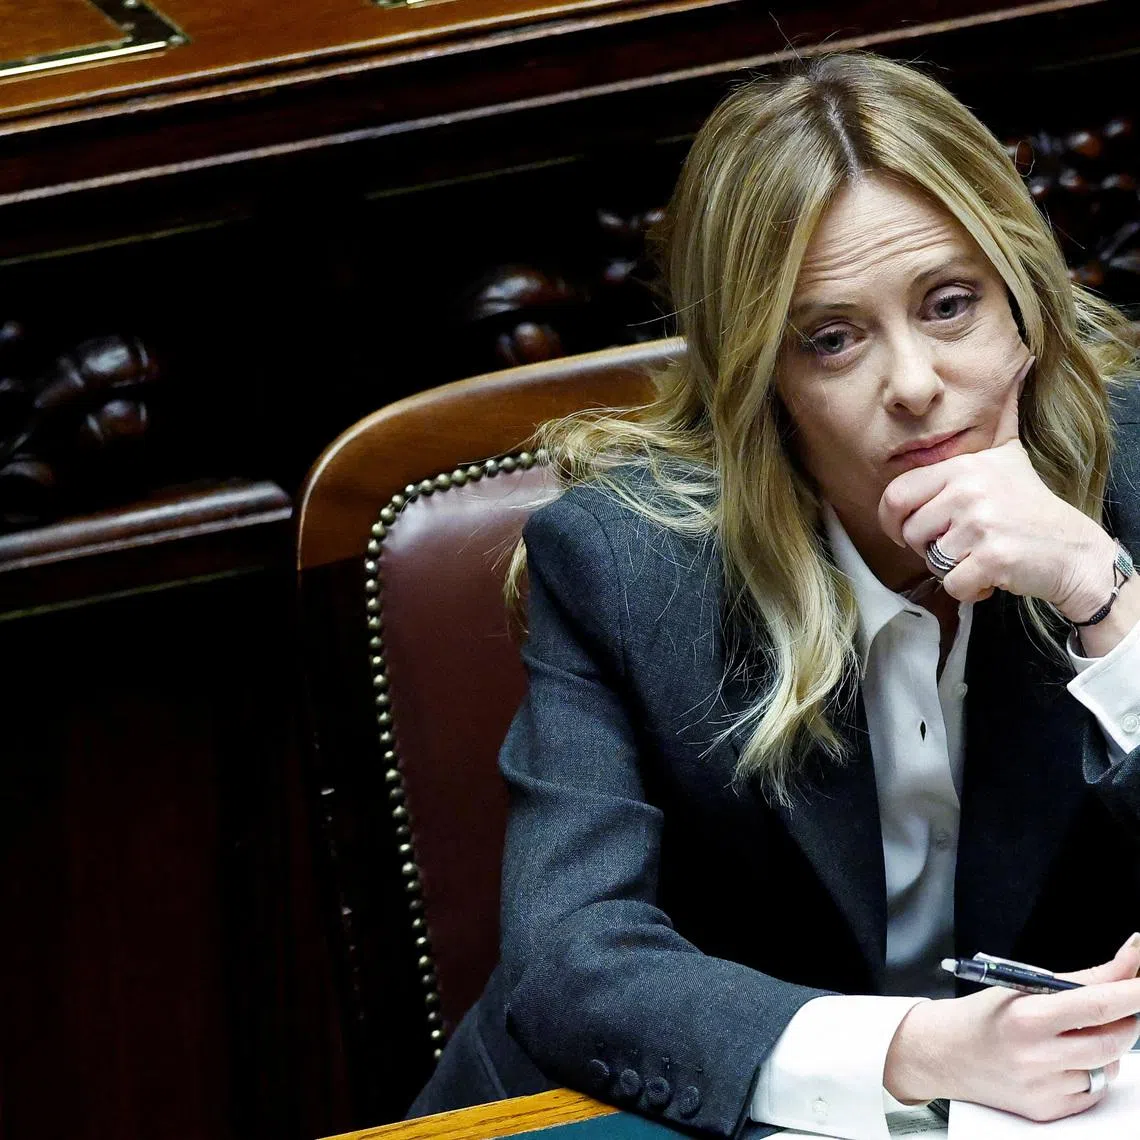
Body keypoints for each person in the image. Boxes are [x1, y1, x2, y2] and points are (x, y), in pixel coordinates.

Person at [409, 51, 1140, 1139]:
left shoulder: (1128, 482)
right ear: (763, 378)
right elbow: (572, 962)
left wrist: (1105, 600)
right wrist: (918, 1049)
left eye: (950, 305)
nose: (912, 383)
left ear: (1026, 307)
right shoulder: (626, 564)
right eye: (832, 338)